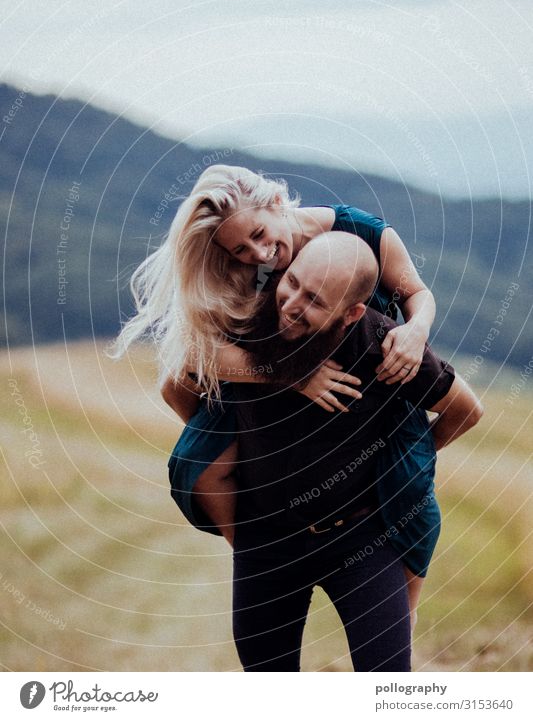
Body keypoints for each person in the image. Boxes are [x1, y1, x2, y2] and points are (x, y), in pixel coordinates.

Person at [112, 164, 440, 623]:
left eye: (260, 234)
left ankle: (394, 646)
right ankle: (257, 554)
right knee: (196, 460)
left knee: (410, 497)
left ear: (277, 203)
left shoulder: (362, 233)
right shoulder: (260, 273)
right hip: (277, 381)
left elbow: (418, 294)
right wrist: (286, 392)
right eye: (240, 249)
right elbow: (193, 361)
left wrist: (416, 332)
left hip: (372, 379)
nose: (260, 253)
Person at [230, 232, 483, 672]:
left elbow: (466, 409)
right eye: (292, 283)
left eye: (315, 300)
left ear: (351, 313)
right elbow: (184, 369)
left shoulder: (383, 344)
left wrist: (405, 457)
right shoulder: (251, 317)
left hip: (361, 539)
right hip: (266, 540)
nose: (292, 305)